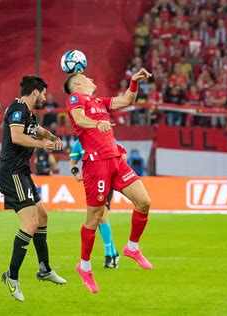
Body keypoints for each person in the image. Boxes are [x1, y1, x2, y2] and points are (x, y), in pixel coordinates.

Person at [64, 68, 153, 294]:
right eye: (86, 78)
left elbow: (127, 99)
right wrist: (96, 124)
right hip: (96, 164)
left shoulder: (99, 101)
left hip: (115, 160)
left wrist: (133, 82)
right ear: (78, 84)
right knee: (94, 217)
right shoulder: (75, 98)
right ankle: (84, 267)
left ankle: (132, 248)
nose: (91, 78)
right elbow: (79, 118)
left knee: (144, 201)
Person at [0, 75, 67, 302]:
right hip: (12, 174)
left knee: (42, 217)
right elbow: (17, 137)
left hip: (22, 174)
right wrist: (42, 144)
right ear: (35, 92)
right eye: (44, 93)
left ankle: (45, 269)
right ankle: (12, 276)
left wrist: (51, 136)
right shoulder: (17, 108)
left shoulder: (28, 114)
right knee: (30, 223)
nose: (45, 97)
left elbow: (38, 130)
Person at [70, 139, 120, 268]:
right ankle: (114, 252)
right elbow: (73, 162)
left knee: (102, 217)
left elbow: (120, 156)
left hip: (106, 181)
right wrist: (75, 173)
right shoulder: (79, 143)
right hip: (91, 183)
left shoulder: (106, 138)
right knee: (96, 219)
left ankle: (109, 256)